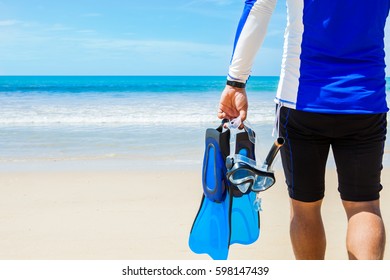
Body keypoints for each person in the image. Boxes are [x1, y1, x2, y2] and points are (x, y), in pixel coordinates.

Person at [218, 0, 388, 260]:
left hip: (300, 102)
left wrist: (235, 82)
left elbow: (258, 8)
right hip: (365, 101)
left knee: (304, 208)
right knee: (364, 206)